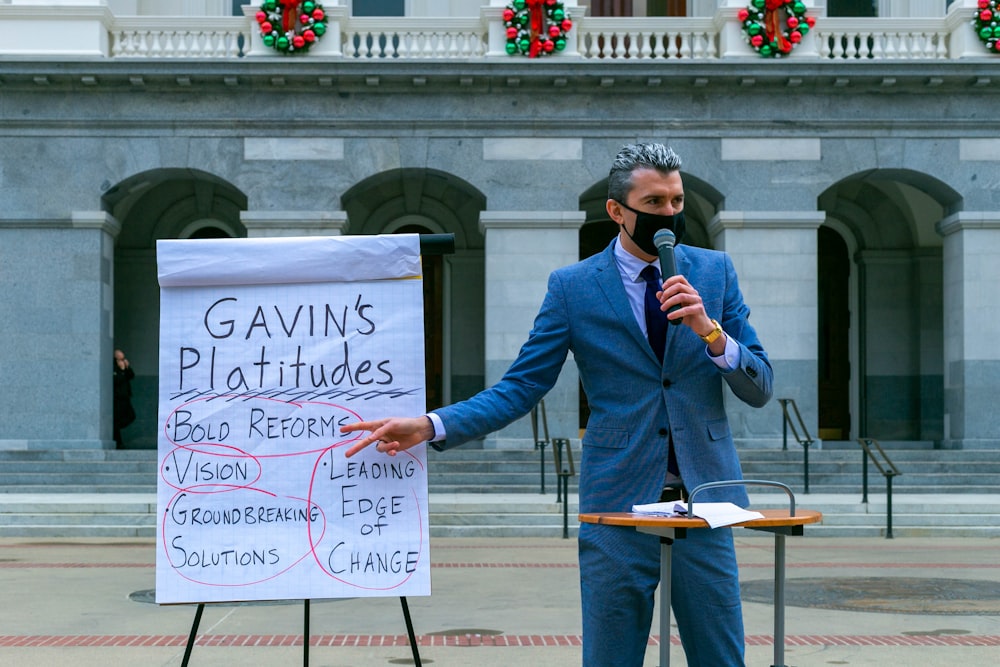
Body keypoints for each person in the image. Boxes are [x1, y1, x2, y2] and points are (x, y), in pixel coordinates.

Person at [341, 142, 773, 667]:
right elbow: (521, 386)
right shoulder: (573, 288)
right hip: (617, 502)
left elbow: (760, 385)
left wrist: (711, 332)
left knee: (722, 657)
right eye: (654, 203)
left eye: (677, 201)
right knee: (610, 657)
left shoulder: (714, 272)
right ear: (618, 211)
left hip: (707, 500)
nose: (668, 216)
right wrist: (432, 425)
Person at [112, 348, 136, 448]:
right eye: (120, 359)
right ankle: (118, 442)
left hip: (125, 397)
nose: (122, 361)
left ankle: (115, 429)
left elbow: (131, 376)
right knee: (116, 420)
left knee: (131, 416)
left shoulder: (123, 368)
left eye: (123, 359)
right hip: (117, 398)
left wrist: (127, 367)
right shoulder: (114, 369)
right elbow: (117, 381)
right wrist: (121, 370)